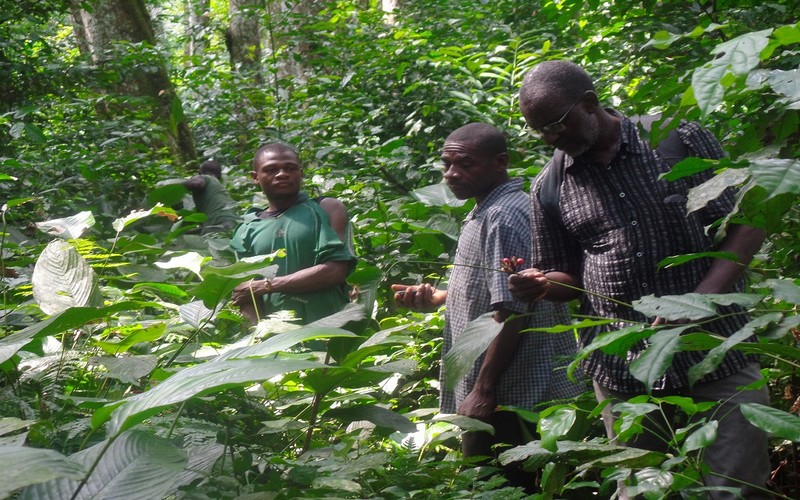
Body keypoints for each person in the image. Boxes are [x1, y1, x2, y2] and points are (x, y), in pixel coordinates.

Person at [509, 60, 770, 498]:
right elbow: (564, 273)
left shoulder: (676, 139)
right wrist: (539, 285)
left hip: (718, 347)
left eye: (556, 123)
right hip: (623, 371)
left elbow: (748, 224)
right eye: (539, 131)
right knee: (641, 492)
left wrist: (696, 303)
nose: (550, 138)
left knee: (735, 488)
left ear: (590, 104)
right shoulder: (549, 187)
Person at [392, 123, 582, 492]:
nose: (451, 174)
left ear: (500, 163)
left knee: (498, 485)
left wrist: (484, 389)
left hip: (512, 392)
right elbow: (496, 287)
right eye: (446, 164)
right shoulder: (489, 208)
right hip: (503, 388)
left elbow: (514, 309)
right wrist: (439, 298)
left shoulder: (503, 215)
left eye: (465, 164)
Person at [230, 143, 356, 324]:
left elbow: (336, 270)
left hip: (328, 331)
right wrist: (255, 339)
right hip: (272, 341)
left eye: (290, 168)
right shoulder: (247, 228)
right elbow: (245, 292)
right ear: (255, 177)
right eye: (271, 170)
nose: (282, 174)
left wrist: (267, 286)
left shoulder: (325, 209)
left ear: (301, 172)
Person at [182, 159, 240, 235]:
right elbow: (208, 227)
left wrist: (171, 187)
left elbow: (196, 183)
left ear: (200, 173)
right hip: (235, 227)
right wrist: (184, 233)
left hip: (218, 226)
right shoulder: (221, 190)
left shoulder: (205, 178)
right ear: (220, 176)